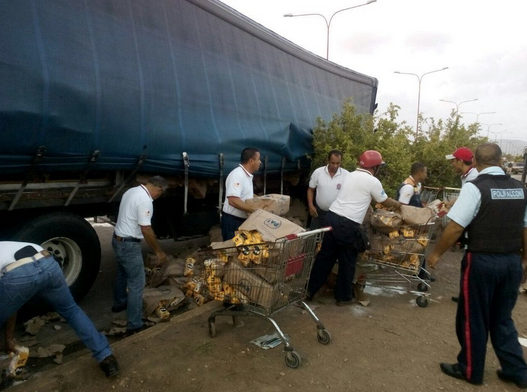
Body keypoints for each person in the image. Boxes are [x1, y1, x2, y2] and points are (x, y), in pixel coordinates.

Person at [428, 143, 527, 387]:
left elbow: (456, 226)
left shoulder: (475, 187)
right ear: (501, 160)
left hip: (482, 260)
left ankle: (470, 369)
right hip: (512, 260)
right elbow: (526, 227)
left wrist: (436, 253)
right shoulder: (520, 188)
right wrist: (525, 260)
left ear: (475, 161)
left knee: (473, 316)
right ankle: (517, 371)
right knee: (503, 318)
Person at [0, 242, 119, 377]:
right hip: (48, 264)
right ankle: (106, 357)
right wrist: (9, 338)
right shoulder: (7, 245)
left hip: (17, 275)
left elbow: (9, 298)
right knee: (71, 311)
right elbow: (12, 304)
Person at [307, 150, 402, 306]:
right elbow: (383, 200)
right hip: (348, 223)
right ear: (375, 167)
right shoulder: (372, 181)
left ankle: (310, 290)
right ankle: (343, 297)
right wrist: (397, 205)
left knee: (325, 257)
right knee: (348, 259)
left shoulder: (350, 175)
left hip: (332, 216)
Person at [112, 175, 168, 336]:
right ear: (159, 190)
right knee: (137, 283)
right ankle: (134, 325)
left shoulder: (132, 191)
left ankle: (119, 303)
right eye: (161, 193)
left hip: (117, 239)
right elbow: (146, 229)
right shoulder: (145, 200)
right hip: (129, 245)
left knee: (123, 272)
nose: (159, 196)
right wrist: (159, 251)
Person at [445, 147, 478, 302]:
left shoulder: (473, 177)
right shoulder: (467, 176)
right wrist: (450, 203)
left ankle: (467, 296)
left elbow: (467, 200)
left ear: (460, 161)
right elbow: (463, 196)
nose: (452, 164)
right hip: (471, 225)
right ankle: (466, 294)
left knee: (469, 262)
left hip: (473, 226)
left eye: (453, 161)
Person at [395, 162, 434, 281]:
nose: (426, 175)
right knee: (418, 246)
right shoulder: (408, 187)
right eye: (425, 172)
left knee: (419, 246)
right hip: (410, 224)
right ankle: (420, 273)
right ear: (419, 173)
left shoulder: (417, 185)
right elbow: (402, 207)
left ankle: (420, 272)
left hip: (415, 223)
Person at [221, 148, 261, 240]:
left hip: (242, 220)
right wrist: (255, 210)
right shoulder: (237, 175)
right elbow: (233, 200)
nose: (260, 162)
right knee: (233, 249)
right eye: (258, 159)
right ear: (251, 161)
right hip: (233, 221)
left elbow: (244, 195)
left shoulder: (246, 176)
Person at [307, 150, 349, 229]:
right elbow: (311, 189)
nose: (335, 166)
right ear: (328, 161)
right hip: (318, 212)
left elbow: (349, 194)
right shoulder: (318, 172)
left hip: (337, 214)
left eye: (338, 163)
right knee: (313, 236)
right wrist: (310, 205)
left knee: (330, 237)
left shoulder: (346, 175)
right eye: (333, 163)